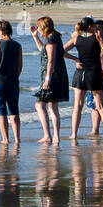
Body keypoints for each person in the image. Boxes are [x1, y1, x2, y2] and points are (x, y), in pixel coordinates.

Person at [65, 18, 103, 141]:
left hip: (80, 74)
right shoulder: (97, 39)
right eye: (94, 26)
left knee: (77, 106)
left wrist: (75, 59)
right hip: (94, 74)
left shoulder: (76, 38)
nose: (96, 28)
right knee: (100, 106)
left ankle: (74, 134)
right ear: (90, 27)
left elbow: (61, 50)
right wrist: (102, 42)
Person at [28, 16, 67, 144]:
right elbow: (42, 50)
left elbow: (51, 59)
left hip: (53, 76)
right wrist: (35, 36)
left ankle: (49, 135)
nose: (37, 29)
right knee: (52, 106)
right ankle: (54, 136)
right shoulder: (54, 38)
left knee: (40, 104)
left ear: (44, 27)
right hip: (58, 75)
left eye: (38, 27)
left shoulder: (51, 39)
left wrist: (47, 79)